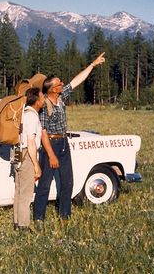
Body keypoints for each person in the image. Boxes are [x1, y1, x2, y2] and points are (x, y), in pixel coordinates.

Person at [33, 52, 106, 222]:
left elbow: (77, 80)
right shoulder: (44, 105)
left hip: (63, 143)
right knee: (44, 184)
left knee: (67, 182)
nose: (63, 84)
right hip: (50, 144)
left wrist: (93, 65)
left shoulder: (61, 96)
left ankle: (64, 216)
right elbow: (42, 131)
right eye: (60, 83)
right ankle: (38, 218)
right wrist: (51, 155)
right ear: (53, 89)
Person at [13, 87, 45, 230]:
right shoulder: (32, 116)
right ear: (37, 101)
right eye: (42, 97)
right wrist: (36, 165)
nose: (44, 99)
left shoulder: (22, 113)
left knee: (18, 189)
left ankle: (17, 221)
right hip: (27, 154)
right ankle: (24, 225)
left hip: (17, 152)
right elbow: (31, 141)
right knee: (26, 192)